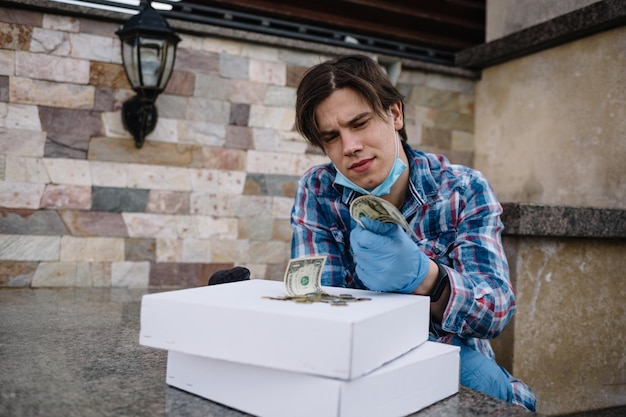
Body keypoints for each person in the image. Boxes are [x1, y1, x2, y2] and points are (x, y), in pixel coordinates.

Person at [290, 54, 537, 411]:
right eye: (331, 137)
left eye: (359, 123)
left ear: (394, 114)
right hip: (362, 381)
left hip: (457, 373)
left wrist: (428, 279)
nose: (349, 147)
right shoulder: (318, 190)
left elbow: (496, 309)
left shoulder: (463, 189)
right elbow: (321, 315)